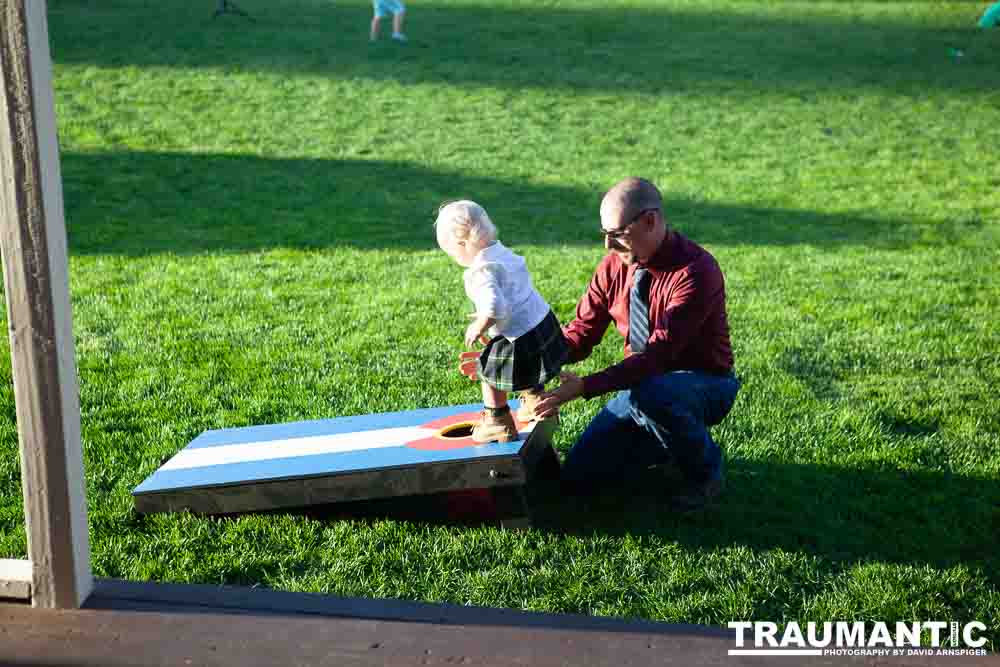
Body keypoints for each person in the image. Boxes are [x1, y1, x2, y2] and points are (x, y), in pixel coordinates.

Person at [533, 177, 740, 510]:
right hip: (641, 387)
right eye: (604, 235)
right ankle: (663, 445)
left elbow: (655, 358)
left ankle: (706, 475)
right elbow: (583, 332)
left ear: (650, 221)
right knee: (577, 476)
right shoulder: (614, 265)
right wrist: (533, 355)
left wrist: (584, 386)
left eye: (616, 235)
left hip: (705, 384)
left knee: (655, 395)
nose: (608, 246)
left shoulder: (696, 271)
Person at [435, 200, 568, 443]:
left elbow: (495, 306)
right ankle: (535, 400)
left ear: (461, 244)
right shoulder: (501, 252)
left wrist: (480, 324)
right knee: (529, 365)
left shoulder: (479, 271)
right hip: (542, 322)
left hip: (520, 335)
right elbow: (510, 292)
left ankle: (497, 420)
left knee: (488, 370)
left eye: (452, 253)